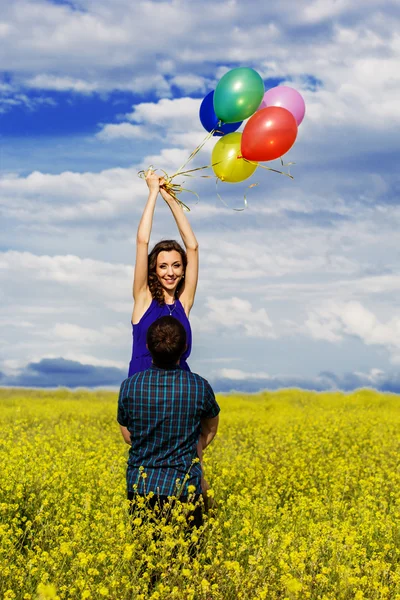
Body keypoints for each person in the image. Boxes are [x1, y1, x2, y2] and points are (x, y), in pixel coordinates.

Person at [118, 316, 220, 533]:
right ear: (184, 348)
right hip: (185, 486)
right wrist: (191, 448)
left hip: (141, 487)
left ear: (147, 347)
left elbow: (128, 436)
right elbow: (210, 428)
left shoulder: (130, 386)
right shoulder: (199, 386)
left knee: (146, 559)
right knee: (188, 561)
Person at [128, 168, 199, 377]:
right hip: (143, 387)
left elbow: (192, 247)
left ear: (184, 270)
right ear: (154, 271)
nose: (170, 272)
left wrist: (170, 199)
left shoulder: (183, 303)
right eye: (163, 266)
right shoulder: (143, 298)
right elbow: (142, 242)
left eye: (176, 265)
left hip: (180, 386)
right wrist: (153, 194)